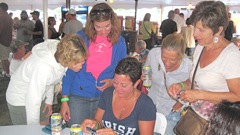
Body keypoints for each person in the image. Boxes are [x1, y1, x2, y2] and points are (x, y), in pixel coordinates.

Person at [168, 1, 240, 134]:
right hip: (195, 121)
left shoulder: (231, 56)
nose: (195, 34)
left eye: (201, 30)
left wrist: (200, 95)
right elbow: (195, 81)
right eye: (195, 27)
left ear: (218, 30)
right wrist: (182, 86)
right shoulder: (200, 48)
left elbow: (237, 95)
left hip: (218, 126)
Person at [60, 2, 127, 127]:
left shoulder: (120, 42)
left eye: (107, 26)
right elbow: (69, 71)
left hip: (105, 98)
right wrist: (64, 100)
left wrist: (113, 81)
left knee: (99, 131)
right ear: (91, 24)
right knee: (76, 130)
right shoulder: (80, 37)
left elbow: (123, 70)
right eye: (98, 27)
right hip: (78, 97)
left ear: (113, 22)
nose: (103, 31)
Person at [6, 34, 88, 125]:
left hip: (39, 95)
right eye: (79, 62)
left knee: (44, 127)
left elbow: (51, 80)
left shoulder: (60, 54)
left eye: (83, 61)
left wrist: (49, 100)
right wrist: (32, 129)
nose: (82, 66)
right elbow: (33, 101)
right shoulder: (42, 68)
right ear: (68, 59)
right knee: (28, 131)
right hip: (19, 98)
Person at [81, 57, 156, 135]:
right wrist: (94, 124)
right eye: (115, 82)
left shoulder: (145, 105)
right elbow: (98, 122)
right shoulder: (108, 94)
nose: (118, 89)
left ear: (136, 83)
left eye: (124, 85)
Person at [145, 33, 192, 135]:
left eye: (172, 59)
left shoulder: (189, 67)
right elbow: (146, 73)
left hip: (171, 112)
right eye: (164, 57)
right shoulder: (153, 55)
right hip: (149, 108)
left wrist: (175, 108)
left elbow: (192, 91)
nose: (167, 62)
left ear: (181, 56)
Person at [0, 2, 13, 77]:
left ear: (1, 8)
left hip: (3, 40)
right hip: (6, 40)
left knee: (4, 58)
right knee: (3, 58)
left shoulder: (2, 17)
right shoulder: (8, 17)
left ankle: (8, 73)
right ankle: (5, 72)